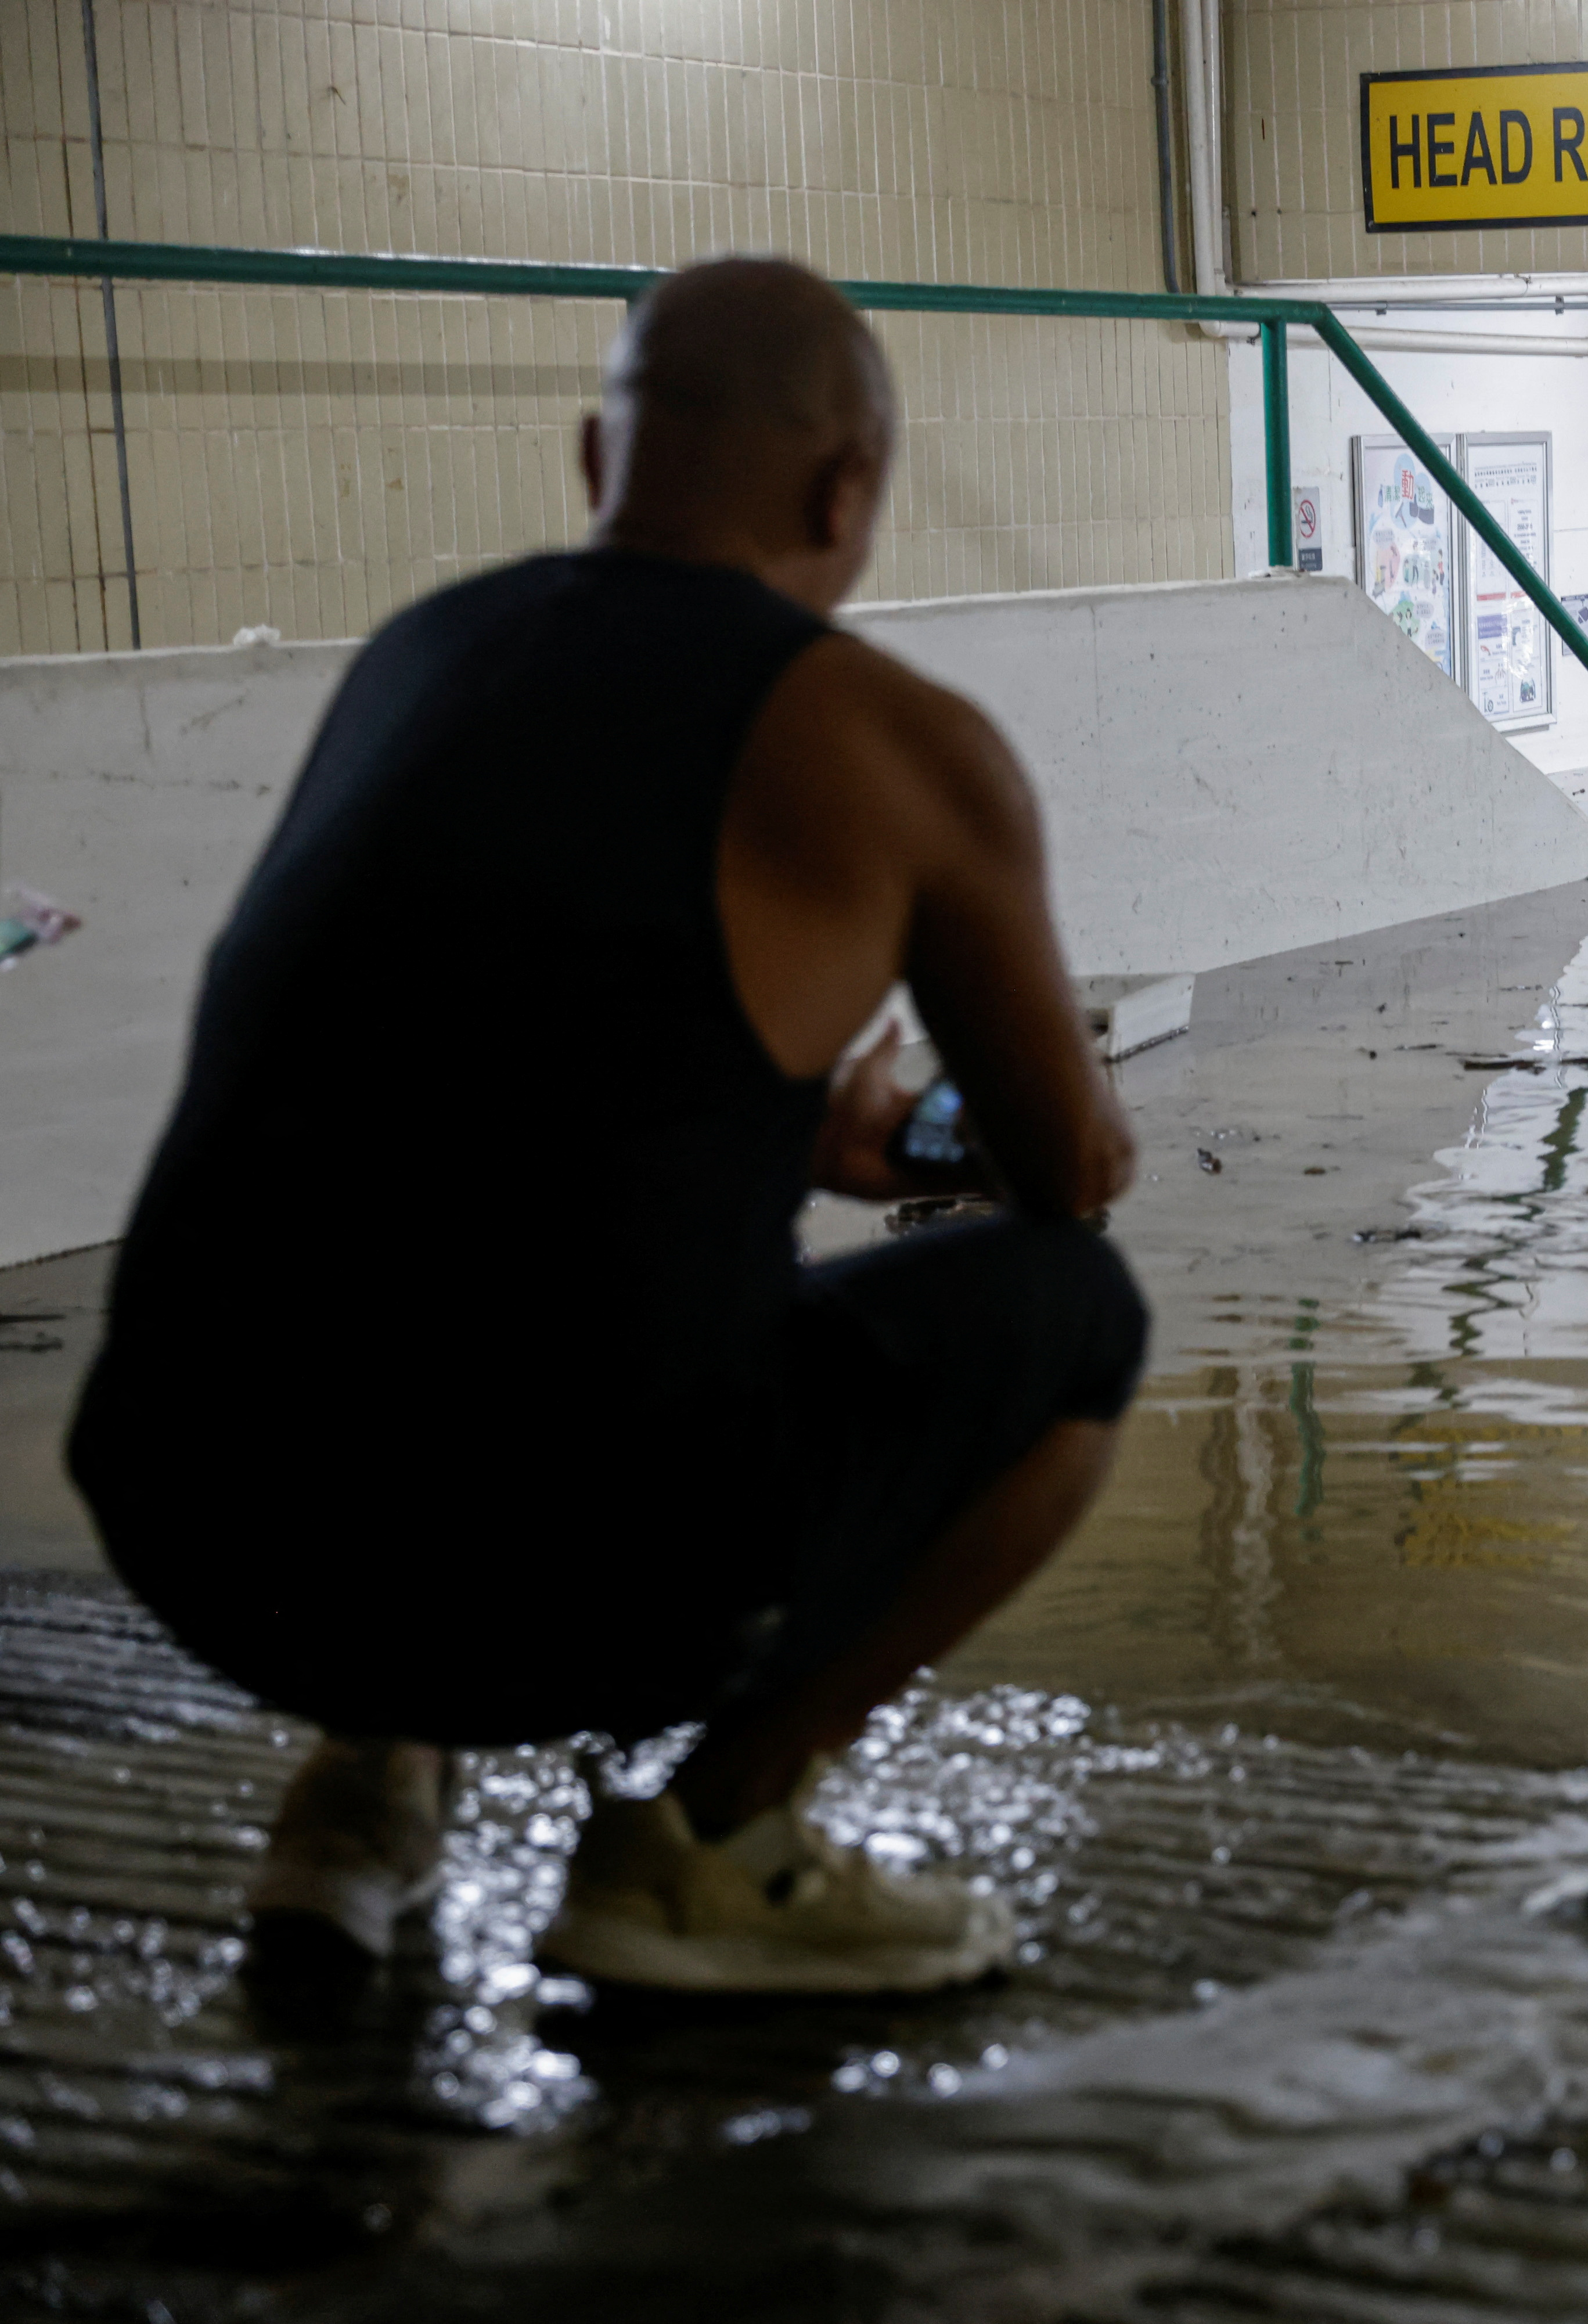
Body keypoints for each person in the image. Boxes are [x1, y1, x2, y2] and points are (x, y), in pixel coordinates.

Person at [64, 256, 1145, 1996]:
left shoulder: (419, 656)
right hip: (579, 1586)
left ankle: (367, 1777)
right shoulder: (894, 742)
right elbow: (1070, 1174)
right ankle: (709, 1847)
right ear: (848, 485)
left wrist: (782, 1130)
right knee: (1081, 1324)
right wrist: (893, 1135)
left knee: (393, 1253)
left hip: (193, 1523)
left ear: (596, 458)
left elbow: (465, 1070)